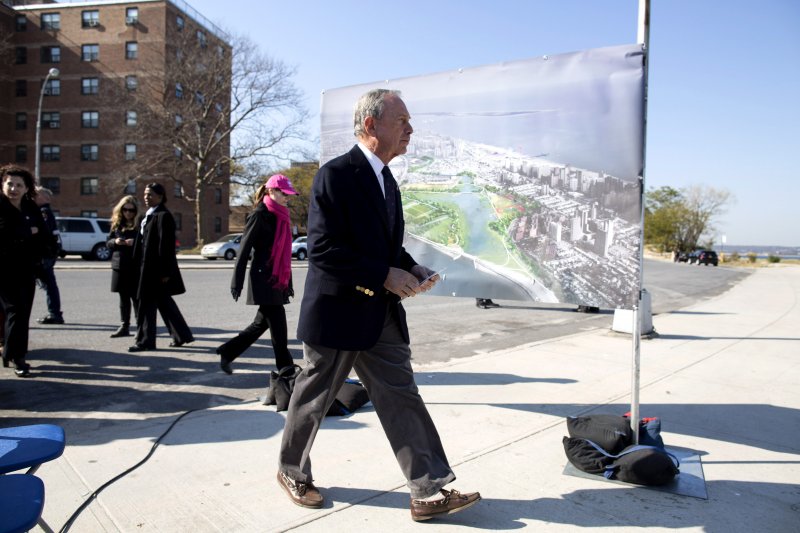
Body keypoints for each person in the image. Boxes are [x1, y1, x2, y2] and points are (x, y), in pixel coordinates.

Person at [277, 89, 480, 521]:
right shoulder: (335, 174)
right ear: (371, 125)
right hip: (337, 314)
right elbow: (324, 249)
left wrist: (411, 267)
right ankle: (292, 470)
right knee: (313, 398)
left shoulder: (387, 180)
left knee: (401, 395)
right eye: (401, 120)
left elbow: (386, 247)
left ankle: (427, 491)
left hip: (380, 315)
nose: (410, 129)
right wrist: (384, 274)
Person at [216, 175, 297, 374]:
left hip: (276, 279)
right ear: (271, 191)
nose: (287, 198)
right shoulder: (259, 214)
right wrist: (237, 282)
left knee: (261, 324)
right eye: (284, 193)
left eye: (289, 194)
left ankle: (228, 351)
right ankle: (287, 371)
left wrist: (288, 283)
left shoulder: (281, 216)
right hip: (263, 279)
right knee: (278, 325)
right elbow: (243, 250)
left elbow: (284, 255)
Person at [0, 165, 56, 377]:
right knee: (14, 310)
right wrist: (26, 231)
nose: (13, 188)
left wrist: (30, 235)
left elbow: (42, 233)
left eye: (18, 185)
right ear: (2, 185)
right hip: (4, 269)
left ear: (26, 188)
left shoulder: (30, 207)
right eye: (9, 184)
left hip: (27, 268)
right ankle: (16, 357)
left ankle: (14, 353)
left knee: (23, 313)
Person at [129, 183, 193, 352]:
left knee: (146, 305)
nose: (146, 197)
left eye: (150, 194)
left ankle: (145, 341)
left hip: (155, 270)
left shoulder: (163, 216)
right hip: (145, 267)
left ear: (160, 196)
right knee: (164, 303)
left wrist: (165, 272)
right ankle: (182, 336)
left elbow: (166, 247)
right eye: (145, 194)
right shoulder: (148, 215)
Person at [107, 195, 140, 338]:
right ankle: (124, 326)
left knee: (136, 298)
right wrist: (115, 241)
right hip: (119, 265)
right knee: (123, 298)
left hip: (134, 265)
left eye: (131, 210)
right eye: (125, 210)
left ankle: (140, 328)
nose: (128, 213)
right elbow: (107, 242)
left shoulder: (140, 224)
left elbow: (147, 244)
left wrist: (136, 243)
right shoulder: (116, 224)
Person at [34, 187, 64, 325]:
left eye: (36, 195)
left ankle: (55, 314)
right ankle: (55, 313)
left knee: (49, 285)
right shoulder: (44, 212)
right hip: (47, 254)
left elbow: (43, 233)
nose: (33, 197)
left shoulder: (43, 212)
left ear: (46, 198)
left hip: (44, 255)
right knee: (49, 285)